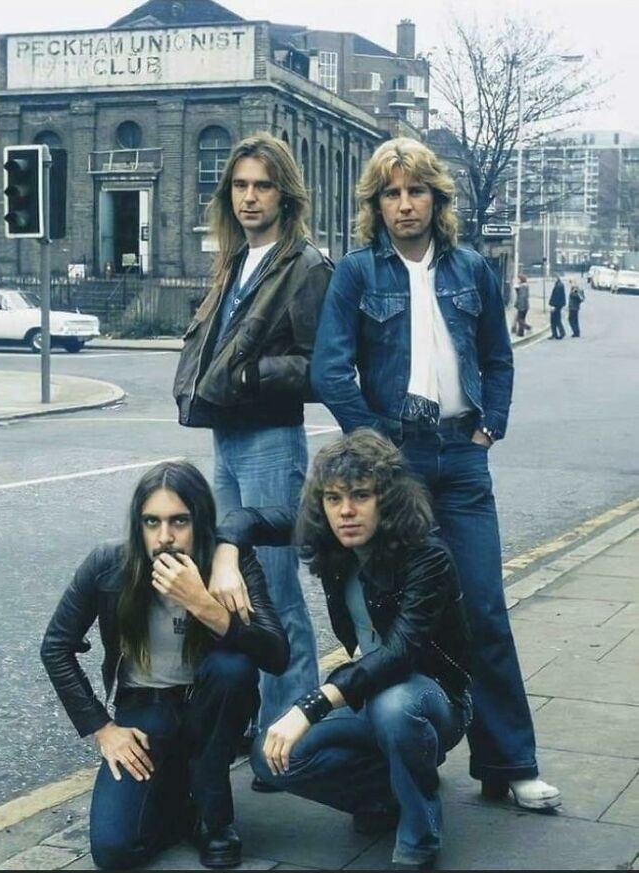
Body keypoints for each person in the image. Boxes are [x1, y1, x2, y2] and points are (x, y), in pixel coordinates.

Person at [309, 137, 561, 811]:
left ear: (436, 198)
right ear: (377, 204)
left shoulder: (472, 268)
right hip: (401, 461)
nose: (403, 204)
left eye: (415, 190)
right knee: (402, 617)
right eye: (390, 193)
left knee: (483, 609)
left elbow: (498, 357)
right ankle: (405, 755)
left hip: (463, 456)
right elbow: (329, 368)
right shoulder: (358, 273)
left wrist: (490, 424)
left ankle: (508, 762)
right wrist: (378, 443)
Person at [214, 430, 472, 870]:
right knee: (271, 756)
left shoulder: (427, 555)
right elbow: (247, 519)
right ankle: (387, 791)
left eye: (360, 496)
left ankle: (421, 833)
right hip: (368, 693)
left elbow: (400, 653)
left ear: (386, 499)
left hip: (433, 699)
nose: (346, 511)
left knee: (394, 707)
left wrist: (311, 704)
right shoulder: (331, 535)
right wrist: (225, 557)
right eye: (333, 498)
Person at [40, 461, 289, 870]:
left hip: (210, 705)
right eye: (151, 522)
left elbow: (275, 656)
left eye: (179, 521)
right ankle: (181, 801)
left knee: (232, 669)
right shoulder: (108, 562)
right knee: (114, 851)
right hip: (146, 709)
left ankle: (214, 817)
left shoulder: (230, 566)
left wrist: (203, 603)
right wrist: (103, 729)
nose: (164, 537)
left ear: (200, 522)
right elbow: (56, 646)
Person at [173, 133, 331, 758]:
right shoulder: (236, 259)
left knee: (278, 591)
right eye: (239, 185)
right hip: (228, 435)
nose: (249, 196)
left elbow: (321, 363)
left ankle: (295, 735)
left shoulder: (305, 265)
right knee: (236, 587)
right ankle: (262, 724)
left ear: (284, 193)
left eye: (262, 185)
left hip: (270, 437)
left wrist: (251, 375)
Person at [511, 272, 532, 337]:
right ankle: (520, 333)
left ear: (521, 279)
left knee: (519, 319)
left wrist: (520, 307)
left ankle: (528, 327)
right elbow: (518, 291)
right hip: (525, 306)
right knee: (522, 319)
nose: (517, 280)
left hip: (522, 306)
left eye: (518, 279)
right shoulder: (524, 286)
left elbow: (522, 297)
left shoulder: (523, 287)